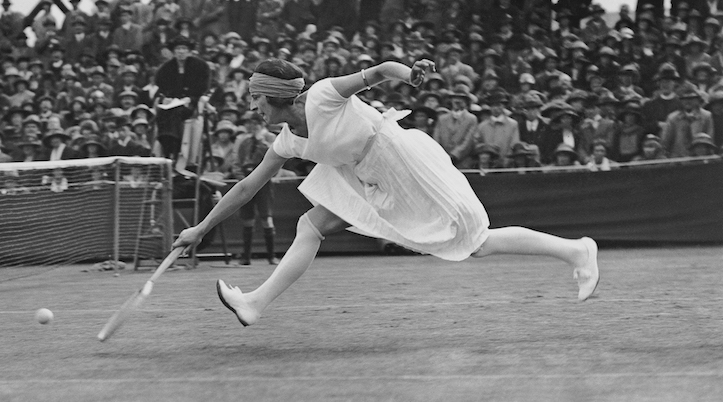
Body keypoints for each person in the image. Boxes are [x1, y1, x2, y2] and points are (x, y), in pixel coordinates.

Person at [172, 59, 600, 328]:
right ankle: (254, 304)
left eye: (256, 99)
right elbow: (247, 187)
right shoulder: (286, 142)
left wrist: (409, 73)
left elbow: (377, 72)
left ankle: (578, 251)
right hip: (360, 172)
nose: (253, 108)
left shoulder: (323, 96)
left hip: (397, 156)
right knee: (310, 224)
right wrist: (201, 227)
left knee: (477, 243)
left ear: (277, 96)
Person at [231, 112, 278, 265]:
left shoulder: (270, 138)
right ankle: (246, 257)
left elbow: (275, 159)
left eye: (255, 123)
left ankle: (271, 256)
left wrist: (261, 141)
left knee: (266, 217)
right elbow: (237, 162)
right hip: (247, 180)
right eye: (249, 123)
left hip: (264, 182)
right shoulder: (244, 141)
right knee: (247, 218)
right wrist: (242, 180)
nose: (251, 126)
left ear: (261, 124)